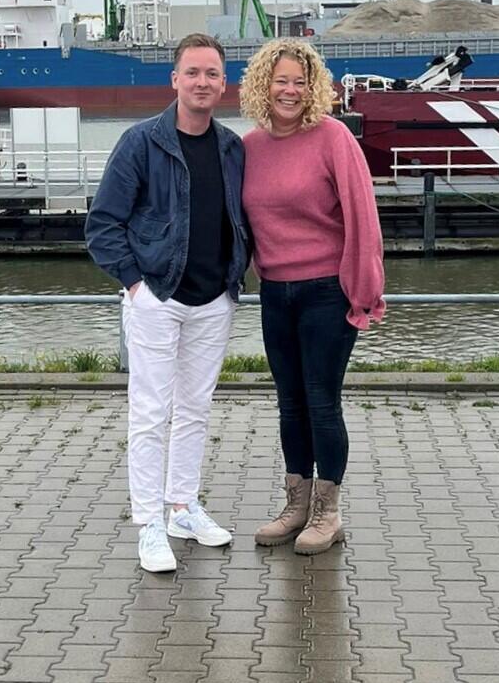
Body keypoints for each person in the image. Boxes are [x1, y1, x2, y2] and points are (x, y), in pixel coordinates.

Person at [85, 33, 249, 573]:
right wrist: (136, 285)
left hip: (213, 300)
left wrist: (235, 278)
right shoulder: (141, 143)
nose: (202, 82)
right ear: (174, 79)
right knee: (151, 413)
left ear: (224, 85)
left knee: (195, 410)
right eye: (193, 72)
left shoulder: (232, 148)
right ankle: (149, 523)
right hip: (158, 296)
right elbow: (103, 225)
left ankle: (182, 507)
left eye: (212, 74)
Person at [240, 37, 385, 555]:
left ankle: (328, 513)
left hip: (327, 292)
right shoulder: (249, 147)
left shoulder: (333, 138)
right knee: (290, 403)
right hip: (275, 292)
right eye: (280, 81)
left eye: (300, 82)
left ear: (314, 87)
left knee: (322, 401)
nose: (290, 91)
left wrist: (364, 292)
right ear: (263, 86)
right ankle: (296, 506)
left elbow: (363, 217)